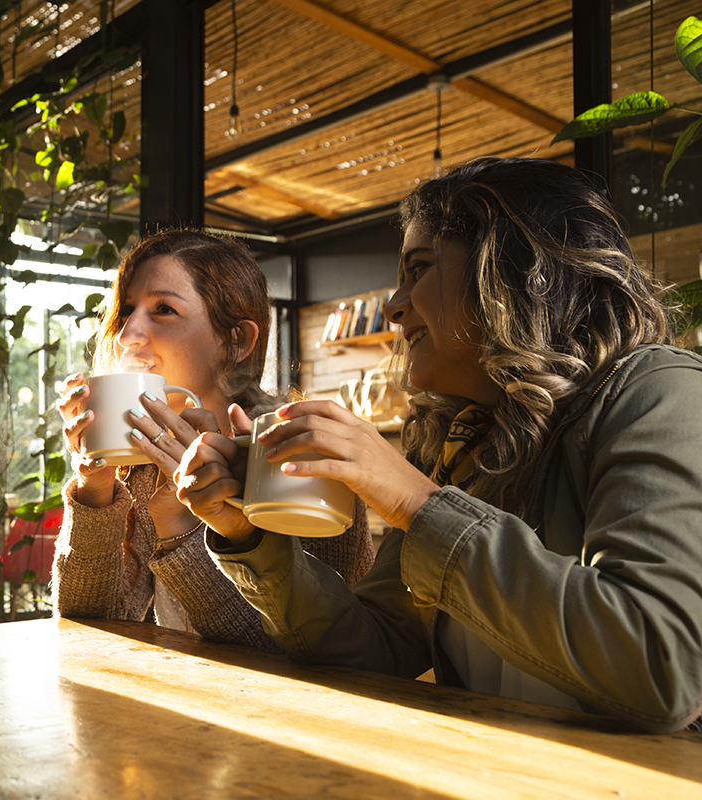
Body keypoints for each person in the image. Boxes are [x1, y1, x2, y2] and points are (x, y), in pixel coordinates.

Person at [177, 156, 702, 732]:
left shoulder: (658, 391)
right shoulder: (456, 442)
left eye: (419, 268)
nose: (394, 305)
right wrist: (251, 538)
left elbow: (666, 668)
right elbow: (377, 648)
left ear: (511, 272)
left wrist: (416, 503)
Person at [53, 229, 374, 649]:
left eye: (164, 309)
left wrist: (185, 527)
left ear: (236, 341)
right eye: (127, 310)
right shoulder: (147, 463)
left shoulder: (299, 452)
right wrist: (94, 491)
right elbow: (92, 624)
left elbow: (307, 651)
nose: (126, 333)